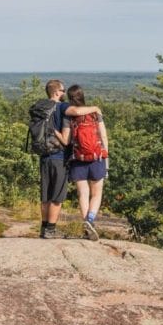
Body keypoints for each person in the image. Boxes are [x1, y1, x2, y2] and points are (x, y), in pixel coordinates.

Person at [38, 79, 101, 239]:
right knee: (57, 196)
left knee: (45, 195)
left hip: (44, 155)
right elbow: (78, 112)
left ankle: (44, 228)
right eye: (63, 90)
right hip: (59, 156)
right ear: (56, 92)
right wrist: (95, 108)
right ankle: (50, 230)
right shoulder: (61, 107)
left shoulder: (41, 107)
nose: (64, 93)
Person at [59, 84, 109, 241]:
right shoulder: (95, 113)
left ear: (69, 98)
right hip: (97, 157)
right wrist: (106, 159)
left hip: (78, 159)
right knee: (97, 193)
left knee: (83, 193)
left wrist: (55, 132)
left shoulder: (69, 115)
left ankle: (87, 225)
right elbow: (103, 137)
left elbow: (66, 140)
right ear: (83, 96)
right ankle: (90, 220)